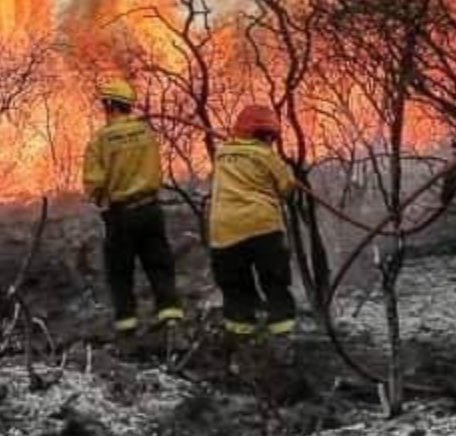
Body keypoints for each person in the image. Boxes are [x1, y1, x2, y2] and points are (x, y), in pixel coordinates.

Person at [81, 77, 184, 334]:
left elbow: (94, 182)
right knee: (159, 263)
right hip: (151, 209)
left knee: (120, 270)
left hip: (121, 214)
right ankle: (170, 316)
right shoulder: (146, 133)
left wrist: (100, 200)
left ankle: (127, 327)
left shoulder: (101, 140)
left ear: (110, 105)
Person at [208, 104, 298, 337]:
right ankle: (283, 336)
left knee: (235, 289)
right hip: (263, 227)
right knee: (275, 283)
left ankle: (241, 340)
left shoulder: (221, 152)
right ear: (269, 135)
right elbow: (287, 187)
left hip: (224, 232)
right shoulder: (267, 155)